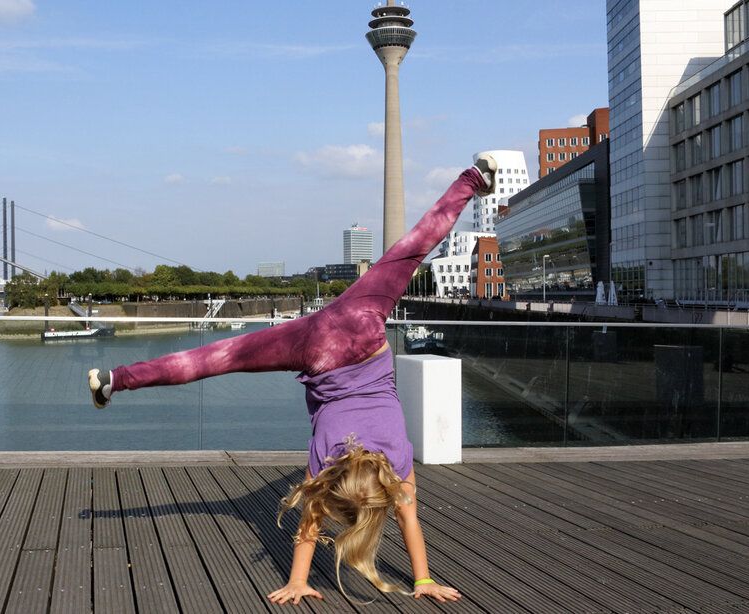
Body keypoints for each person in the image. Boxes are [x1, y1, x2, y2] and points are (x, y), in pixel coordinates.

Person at [88, 156, 496, 605]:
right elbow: (312, 521)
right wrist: (304, 580)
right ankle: (115, 380)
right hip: (318, 348)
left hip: (359, 325)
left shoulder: (396, 464)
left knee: (416, 243)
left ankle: (473, 178)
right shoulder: (326, 463)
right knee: (214, 359)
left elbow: (403, 520)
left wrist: (422, 580)